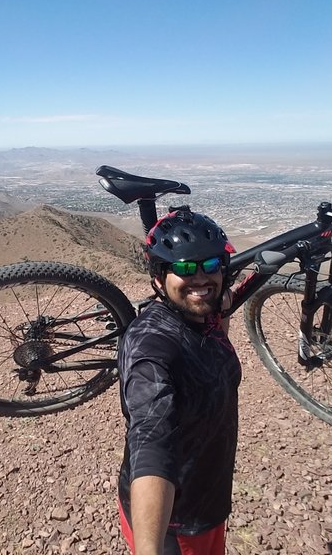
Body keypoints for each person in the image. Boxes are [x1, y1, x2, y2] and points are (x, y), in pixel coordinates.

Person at [117, 206, 241, 555]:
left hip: (208, 501)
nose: (201, 278)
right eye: (185, 268)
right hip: (178, 526)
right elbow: (151, 442)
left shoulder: (204, 312)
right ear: (158, 279)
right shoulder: (152, 348)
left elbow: (220, 303)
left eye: (212, 265)